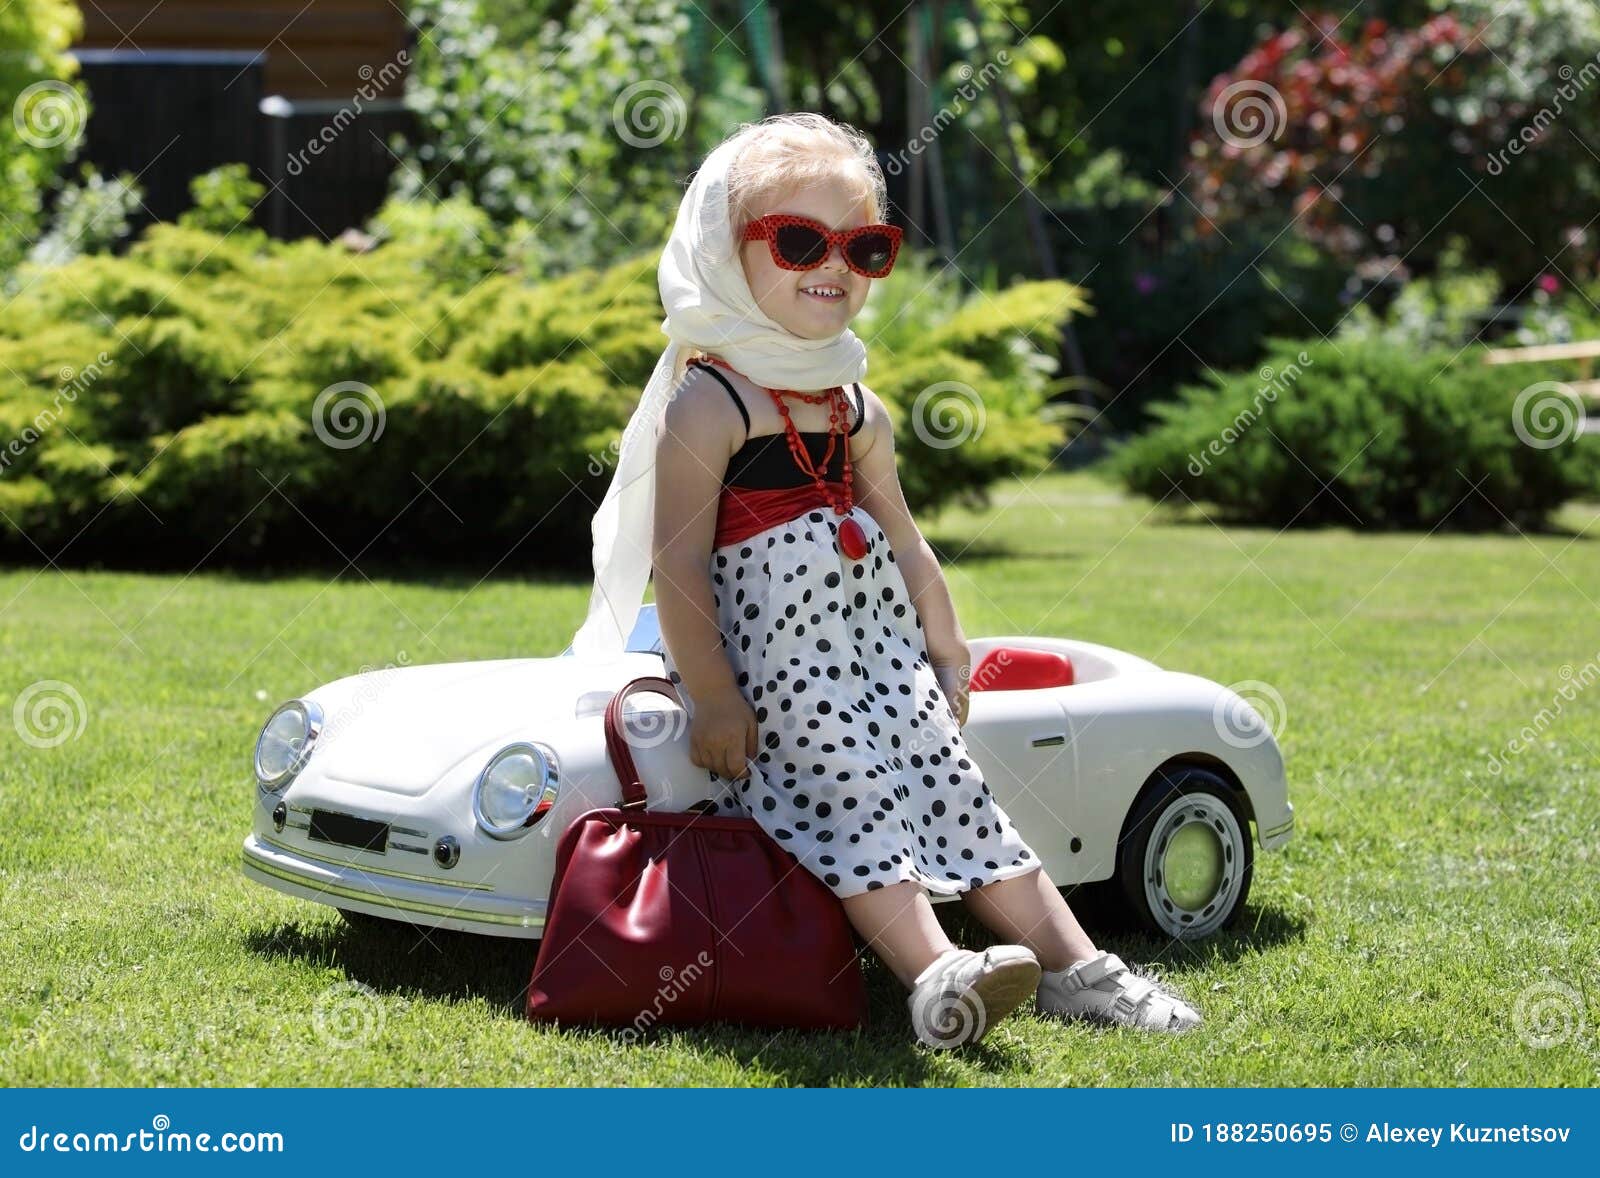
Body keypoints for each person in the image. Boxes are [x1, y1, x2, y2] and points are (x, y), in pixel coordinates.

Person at [571, 112, 1200, 1048]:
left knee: (958, 788)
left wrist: (947, 647)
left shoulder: (853, 402)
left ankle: (1077, 967)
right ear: (723, 252)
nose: (834, 266)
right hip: (781, 677)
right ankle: (934, 971)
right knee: (853, 792)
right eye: (798, 241)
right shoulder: (711, 402)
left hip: (879, 659)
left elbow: (904, 540)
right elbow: (680, 563)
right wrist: (710, 694)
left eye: (863, 247)